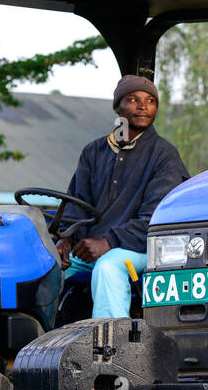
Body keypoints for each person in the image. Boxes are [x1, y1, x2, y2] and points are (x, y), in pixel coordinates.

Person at [57, 74, 189, 318]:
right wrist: (65, 240)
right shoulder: (93, 152)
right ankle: (39, 337)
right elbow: (76, 205)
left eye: (150, 101)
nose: (143, 106)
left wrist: (108, 242)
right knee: (44, 269)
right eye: (133, 99)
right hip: (93, 248)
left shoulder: (164, 155)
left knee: (109, 267)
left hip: (143, 247)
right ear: (117, 106)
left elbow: (156, 219)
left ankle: (111, 339)